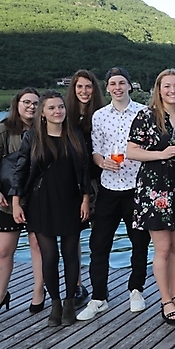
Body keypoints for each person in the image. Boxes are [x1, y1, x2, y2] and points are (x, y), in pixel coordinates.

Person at [76, 67, 152, 321]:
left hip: (136, 187)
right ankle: (99, 297)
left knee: (139, 243)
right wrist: (102, 163)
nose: (117, 87)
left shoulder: (144, 112)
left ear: (130, 85)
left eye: (121, 83)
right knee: (99, 244)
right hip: (108, 187)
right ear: (107, 88)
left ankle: (136, 290)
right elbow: (96, 151)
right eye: (112, 84)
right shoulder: (99, 116)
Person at [12, 90, 92, 326]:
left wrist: (85, 199)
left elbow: (85, 171)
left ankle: (69, 303)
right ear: (42, 113)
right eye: (52, 108)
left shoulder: (75, 136)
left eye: (61, 107)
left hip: (71, 200)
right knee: (49, 257)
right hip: (41, 202)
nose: (58, 111)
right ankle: (55, 304)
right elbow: (21, 170)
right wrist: (16, 202)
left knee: (70, 255)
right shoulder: (32, 137)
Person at [127, 69, 175, 325]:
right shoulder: (146, 115)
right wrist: (160, 155)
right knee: (162, 248)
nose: (172, 90)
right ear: (159, 89)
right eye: (167, 86)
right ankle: (165, 301)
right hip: (155, 188)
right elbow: (131, 151)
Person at [0, 88, 45, 318]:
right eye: (26, 102)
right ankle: (0, 295)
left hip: (39, 197)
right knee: (4, 250)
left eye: (35, 103)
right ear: (17, 104)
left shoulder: (44, 129)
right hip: (8, 199)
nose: (31, 106)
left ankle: (39, 292)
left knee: (38, 246)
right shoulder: (3, 129)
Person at [66, 69, 104, 307]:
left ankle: (99, 286)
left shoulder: (102, 115)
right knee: (73, 236)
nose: (84, 91)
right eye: (79, 86)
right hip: (73, 183)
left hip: (98, 182)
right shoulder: (66, 117)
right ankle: (77, 284)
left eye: (88, 86)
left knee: (98, 237)